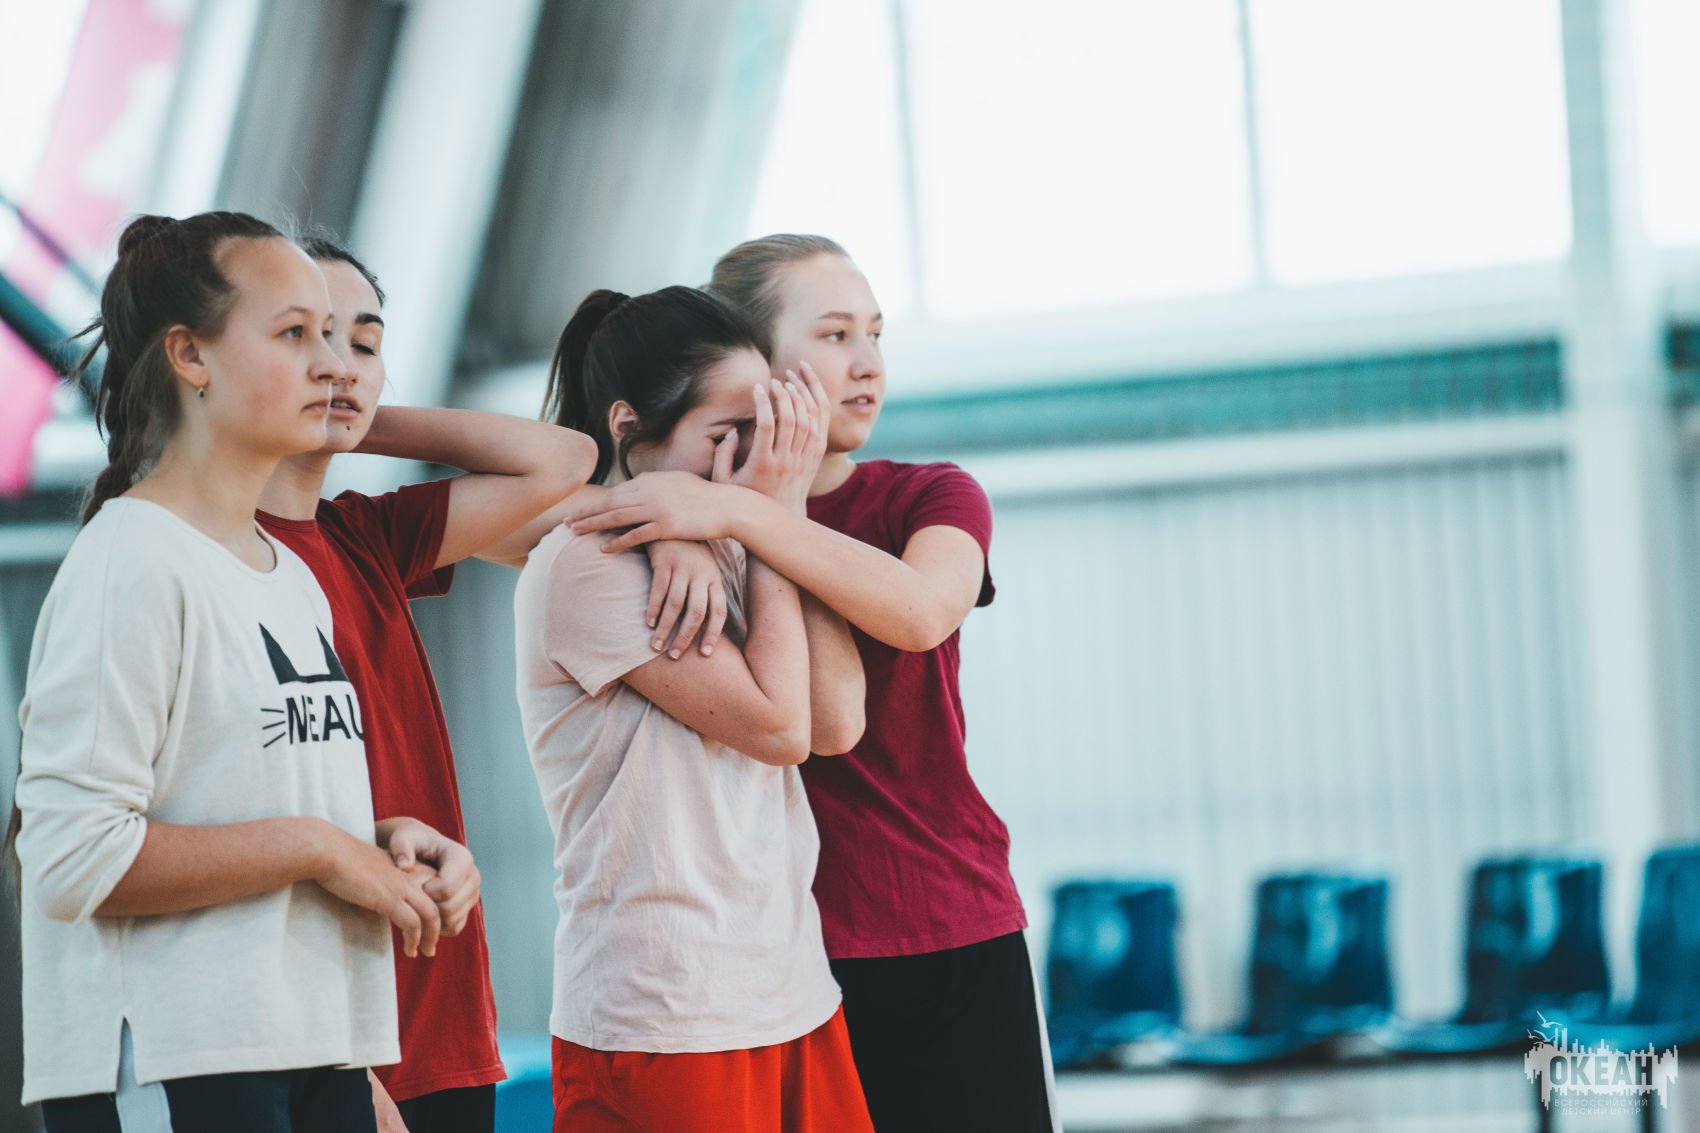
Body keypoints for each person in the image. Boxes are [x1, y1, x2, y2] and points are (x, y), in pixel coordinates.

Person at [561, 237, 1056, 1132]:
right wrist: (681, 522)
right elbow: (556, 497)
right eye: (834, 335)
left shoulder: (933, 494)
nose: (868, 364)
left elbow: (919, 613)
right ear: (751, 361)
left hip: (950, 918)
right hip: (781, 957)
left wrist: (746, 513)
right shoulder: (673, 517)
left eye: (875, 334)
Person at [14, 213, 455, 1132]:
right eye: (294, 333)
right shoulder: (131, 560)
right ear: (190, 356)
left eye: (335, 334)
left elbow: (230, 802)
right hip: (176, 1061)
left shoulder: (288, 574)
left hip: (315, 1045)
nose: (333, 364)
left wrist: (379, 840)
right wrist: (324, 848)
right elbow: (72, 858)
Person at [255, 235, 599, 1133]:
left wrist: (349, 410)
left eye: (363, 343)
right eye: (303, 337)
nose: (339, 362)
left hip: (440, 1006)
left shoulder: (368, 534)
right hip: (326, 1040)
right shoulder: (212, 556)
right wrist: (337, 1062)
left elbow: (563, 461)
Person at [514, 285, 874, 1133]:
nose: (752, 460)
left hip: (789, 989)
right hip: (666, 1009)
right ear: (629, 426)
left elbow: (835, 723)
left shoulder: (733, 533)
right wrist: (767, 513)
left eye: (766, 429)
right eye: (727, 434)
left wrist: (771, 521)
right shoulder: (588, 561)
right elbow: (779, 726)